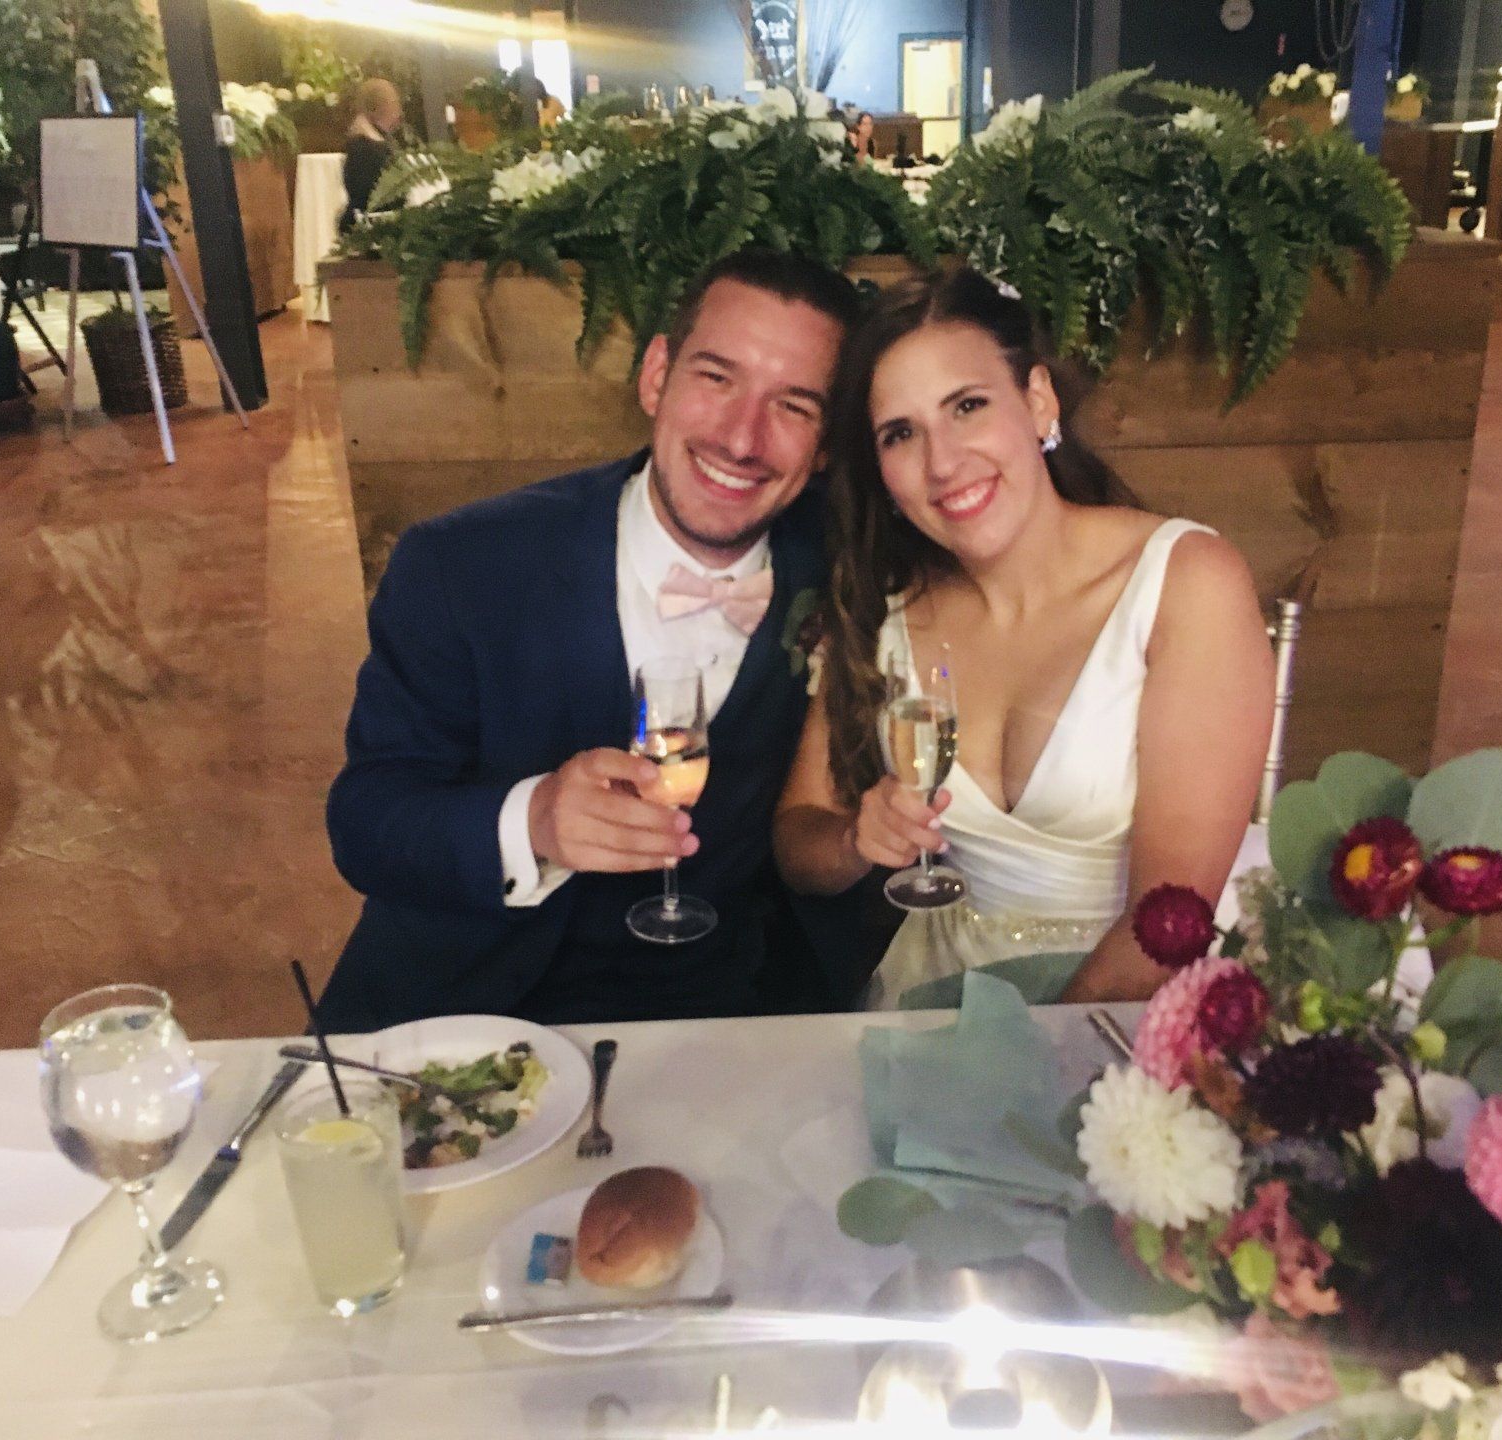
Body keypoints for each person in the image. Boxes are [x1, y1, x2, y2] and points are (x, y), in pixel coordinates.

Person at [318, 249, 863, 1032]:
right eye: (716, 378)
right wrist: (532, 821)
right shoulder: (463, 566)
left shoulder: (849, 570)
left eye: (794, 406)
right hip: (465, 1012)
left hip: (713, 1021)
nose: (744, 439)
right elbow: (365, 821)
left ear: (826, 447)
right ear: (655, 378)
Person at [774, 269, 1276, 1008]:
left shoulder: (1185, 584)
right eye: (901, 433)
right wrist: (856, 839)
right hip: (932, 1001)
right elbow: (796, 841)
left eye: (967, 406)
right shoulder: (888, 615)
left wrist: (1016, 1077)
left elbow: (1166, 925)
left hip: (1133, 1015)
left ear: (1038, 401)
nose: (942, 462)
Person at [340, 77, 403, 230]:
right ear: (382, 107)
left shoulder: (374, 140)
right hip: (371, 226)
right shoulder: (365, 146)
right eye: (395, 103)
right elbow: (371, 194)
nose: (399, 110)